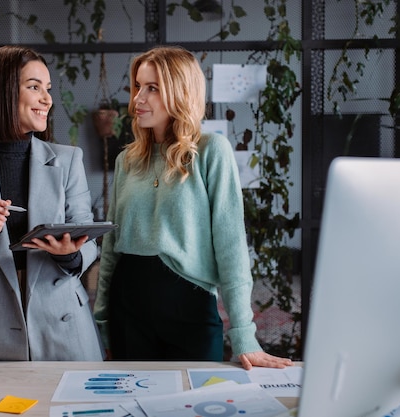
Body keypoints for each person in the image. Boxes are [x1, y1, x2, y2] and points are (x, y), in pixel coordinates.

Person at [93, 46, 293, 370]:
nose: (137, 99)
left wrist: (244, 334)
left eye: (152, 88)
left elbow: (230, 246)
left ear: (180, 92)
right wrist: (101, 321)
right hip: (127, 311)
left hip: (191, 310)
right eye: (138, 87)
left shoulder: (211, 151)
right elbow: (112, 249)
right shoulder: (126, 160)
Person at [0, 45, 104, 361]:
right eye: (34, 87)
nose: (47, 99)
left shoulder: (67, 160)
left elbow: (89, 244)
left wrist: (71, 255)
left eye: (48, 89)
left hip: (62, 327)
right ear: (4, 92)